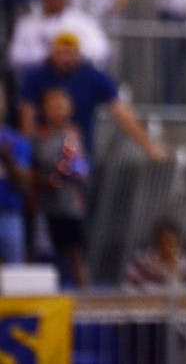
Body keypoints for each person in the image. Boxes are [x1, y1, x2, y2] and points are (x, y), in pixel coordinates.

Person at [18, 32, 168, 160]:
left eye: (70, 52)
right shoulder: (37, 77)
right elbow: (27, 116)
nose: (66, 58)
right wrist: (25, 155)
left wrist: (149, 146)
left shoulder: (91, 76)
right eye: (61, 52)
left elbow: (122, 113)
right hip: (44, 151)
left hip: (79, 154)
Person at [31, 87, 89, 287]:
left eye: (60, 106)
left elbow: (78, 170)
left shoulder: (71, 136)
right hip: (43, 206)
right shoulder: (38, 137)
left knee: (73, 253)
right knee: (41, 253)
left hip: (67, 206)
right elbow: (34, 167)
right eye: (51, 106)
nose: (56, 111)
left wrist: (55, 178)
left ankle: (84, 298)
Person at [6, 0, 111, 77]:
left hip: (75, 77)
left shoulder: (82, 21)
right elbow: (14, 57)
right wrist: (47, 57)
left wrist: (71, 55)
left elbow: (102, 50)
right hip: (39, 80)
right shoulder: (27, 24)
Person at [0, 84, 31, 263]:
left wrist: (7, 159)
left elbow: (24, 183)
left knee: (14, 277)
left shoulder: (15, 140)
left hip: (9, 216)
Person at [125, 219, 186, 290]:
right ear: (156, 243)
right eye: (163, 242)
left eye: (172, 242)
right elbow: (129, 290)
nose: (168, 247)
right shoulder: (141, 264)